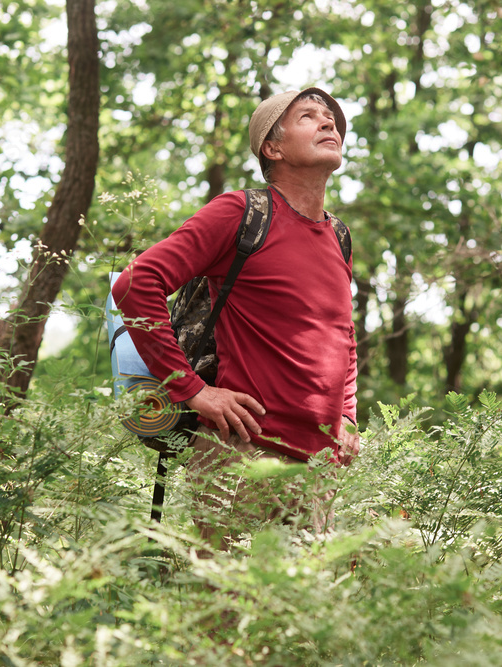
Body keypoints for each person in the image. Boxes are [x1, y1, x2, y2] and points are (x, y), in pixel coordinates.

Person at [111, 87, 359, 550]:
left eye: (331, 119)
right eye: (309, 117)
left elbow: (342, 338)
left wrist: (346, 416)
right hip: (241, 455)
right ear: (273, 147)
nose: (329, 124)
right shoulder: (241, 213)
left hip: (320, 469)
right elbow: (134, 284)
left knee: (301, 617)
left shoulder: (339, 236)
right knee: (226, 613)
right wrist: (193, 390)